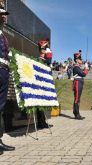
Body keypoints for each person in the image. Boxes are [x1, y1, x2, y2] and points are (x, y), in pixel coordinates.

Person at [0, 4, 15, 154]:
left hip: (3, 71)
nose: (5, 16)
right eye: (3, 14)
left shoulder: (2, 34)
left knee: (0, 106)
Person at [72, 51, 88, 119]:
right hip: (78, 83)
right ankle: (76, 114)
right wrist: (86, 68)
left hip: (79, 82)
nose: (81, 60)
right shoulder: (76, 67)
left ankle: (76, 112)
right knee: (77, 99)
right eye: (80, 59)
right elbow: (83, 74)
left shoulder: (78, 67)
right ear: (77, 60)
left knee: (77, 99)